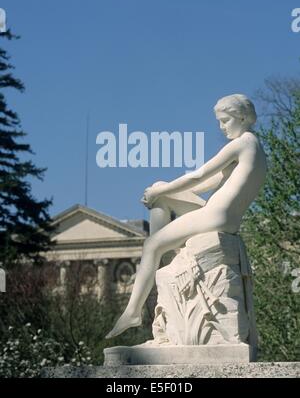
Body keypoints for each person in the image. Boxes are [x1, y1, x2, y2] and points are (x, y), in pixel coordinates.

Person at [105, 94, 267, 339]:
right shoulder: (255, 150)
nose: (221, 127)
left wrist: (160, 190)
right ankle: (168, 259)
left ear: (241, 117)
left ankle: (133, 311)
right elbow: (203, 186)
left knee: (151, 245)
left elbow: (198, 176)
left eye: (225, 121)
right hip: (223, 218)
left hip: (215, 216)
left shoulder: (242, 143)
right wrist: (161, 189)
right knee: (162, 191)